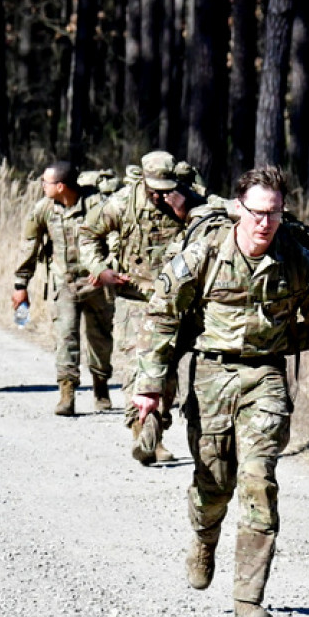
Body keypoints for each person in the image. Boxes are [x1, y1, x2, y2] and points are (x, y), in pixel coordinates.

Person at [131, 165, 309, 617]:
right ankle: (203, 538)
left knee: (259, 481)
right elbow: (163, 315)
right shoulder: (205, 253)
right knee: (213, 484)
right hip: (211, 375)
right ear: (238, 209)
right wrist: (150, 386)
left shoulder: (296, 259)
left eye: (274, 213)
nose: (265, 223)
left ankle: (248, 600)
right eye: (257, 212)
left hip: (266, 376)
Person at [80, 151, 205, 462]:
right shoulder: (122, 203)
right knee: (137, 368)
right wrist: (99, 269)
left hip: (175, 304)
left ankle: (155, 430)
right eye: (155, 190)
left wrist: (187, 213)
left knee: (167, 372)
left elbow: (215, 233)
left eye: (166, 189)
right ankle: (143, 433)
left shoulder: (190, 201)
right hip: (134, 299)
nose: (160, 196)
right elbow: (88, 234)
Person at [13, 161, 114, 416]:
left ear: (60, 186)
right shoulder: (44, 209)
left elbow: (117, 239)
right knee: (65, 338)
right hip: (64, 284)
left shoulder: (98, 205)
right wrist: (21, 284)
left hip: (96, 286)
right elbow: (29, 246)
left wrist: (105, 269)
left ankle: (101, 387)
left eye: (45, 182)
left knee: (100, 340)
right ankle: (67, 394)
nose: (42, 186)